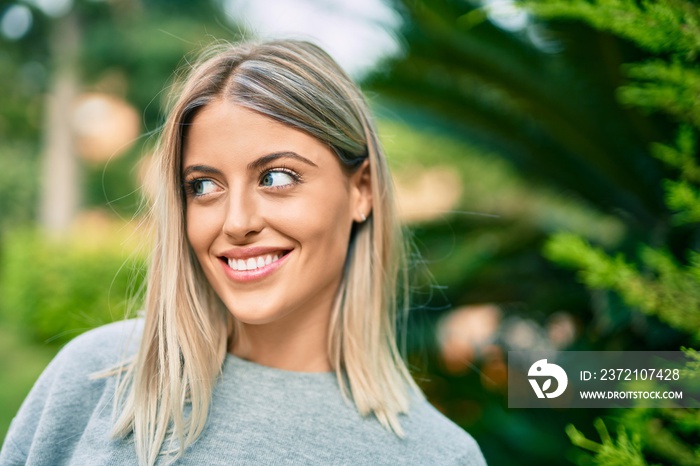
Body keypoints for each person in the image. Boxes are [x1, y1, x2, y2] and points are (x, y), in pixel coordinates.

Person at [0, 39, 487, 466]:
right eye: (205, 186)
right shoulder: (91, 378)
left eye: (276, 178)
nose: (236, 222)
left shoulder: (439, 456)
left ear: (361, 190)